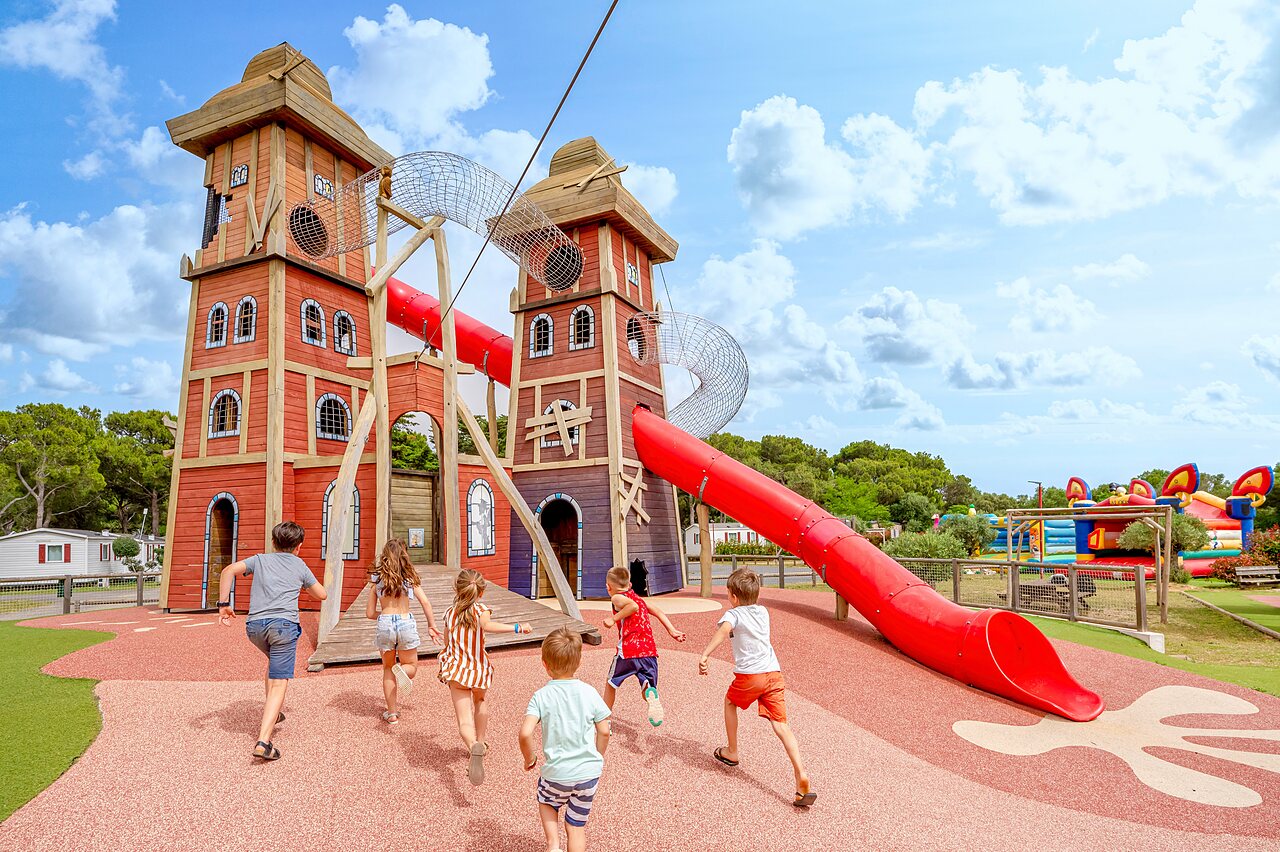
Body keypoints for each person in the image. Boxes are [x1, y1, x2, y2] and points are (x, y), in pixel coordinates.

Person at [698, 567, 815, 808]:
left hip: (751, 676)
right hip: (774, 673)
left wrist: (705, 654)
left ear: (732, 596)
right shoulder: (763, 611)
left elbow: (723, 630)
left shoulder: (734, 615)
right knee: (781, 725)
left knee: (730, 702)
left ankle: (731, 750)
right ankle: (800, 773)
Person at [217, 521, 327, 761]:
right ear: (299, 546)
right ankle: (263, 742)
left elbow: (228, 571)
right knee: (279, 682)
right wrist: (303, 584)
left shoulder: (259, 560)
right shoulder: (299, 565)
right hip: (283, 626)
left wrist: (224, 605)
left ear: (273, 542)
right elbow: (322, 594)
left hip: (255, 627)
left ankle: (274, 713)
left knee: (273, 666)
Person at [520, 627, 611, 852]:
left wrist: (529, 757)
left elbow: (525, 733)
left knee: (547, 800)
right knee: (576, 826)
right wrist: (598, 755)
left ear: (545, 663)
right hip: (588, 774)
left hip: (557, 772)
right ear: (579, 662)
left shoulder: (541, 696)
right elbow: (605, 730)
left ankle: (553, 845)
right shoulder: (590, 692)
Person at [438, 568, 532, 785]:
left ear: (457, 589)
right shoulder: (481, 610)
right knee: (480, 701)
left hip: (456, 670)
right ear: (480, 593)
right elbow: (488, 626)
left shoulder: (449, 613)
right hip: (478, 668)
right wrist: (517, 627)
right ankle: (481, 740)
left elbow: (446, 642)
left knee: (463, 719)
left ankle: (472, 746)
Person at [364, 539, 443, 724]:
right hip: (406, 622)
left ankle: (391, 714)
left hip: (384, 623)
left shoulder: (376, 582)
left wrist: (385, 616)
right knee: (412, 668)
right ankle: (403, 670)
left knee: (387, 669)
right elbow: (425, 602)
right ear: (404, 557)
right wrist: (431, 625)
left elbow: (369, 613)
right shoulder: (409, 580)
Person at [600, 565, 685, 726]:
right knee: (647, 686)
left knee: (611, 683)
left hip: (628, 650)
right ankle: (650, 695)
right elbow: (658, 611)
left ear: (608, 587)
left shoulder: (616, 598)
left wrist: (613, 619)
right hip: (648, 651)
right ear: (630, 584)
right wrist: (672, 630)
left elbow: (633, 607)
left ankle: (604, 719)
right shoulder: (639, 598)